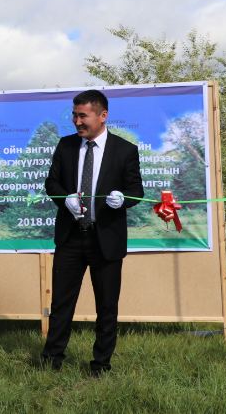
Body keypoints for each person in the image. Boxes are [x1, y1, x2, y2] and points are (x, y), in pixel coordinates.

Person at [41, 89, 144, 377]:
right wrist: (65, 199)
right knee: (61, 303)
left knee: (107, 306)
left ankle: (101, 365)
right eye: (74, 115)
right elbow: (52, 184)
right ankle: (51, 361)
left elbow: (137, 191)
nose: (77, 121)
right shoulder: (65, 146)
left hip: (106, 239)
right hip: (71, 237)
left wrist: (123, 198)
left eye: (82, 115)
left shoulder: (125, 150)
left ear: (102, 115)